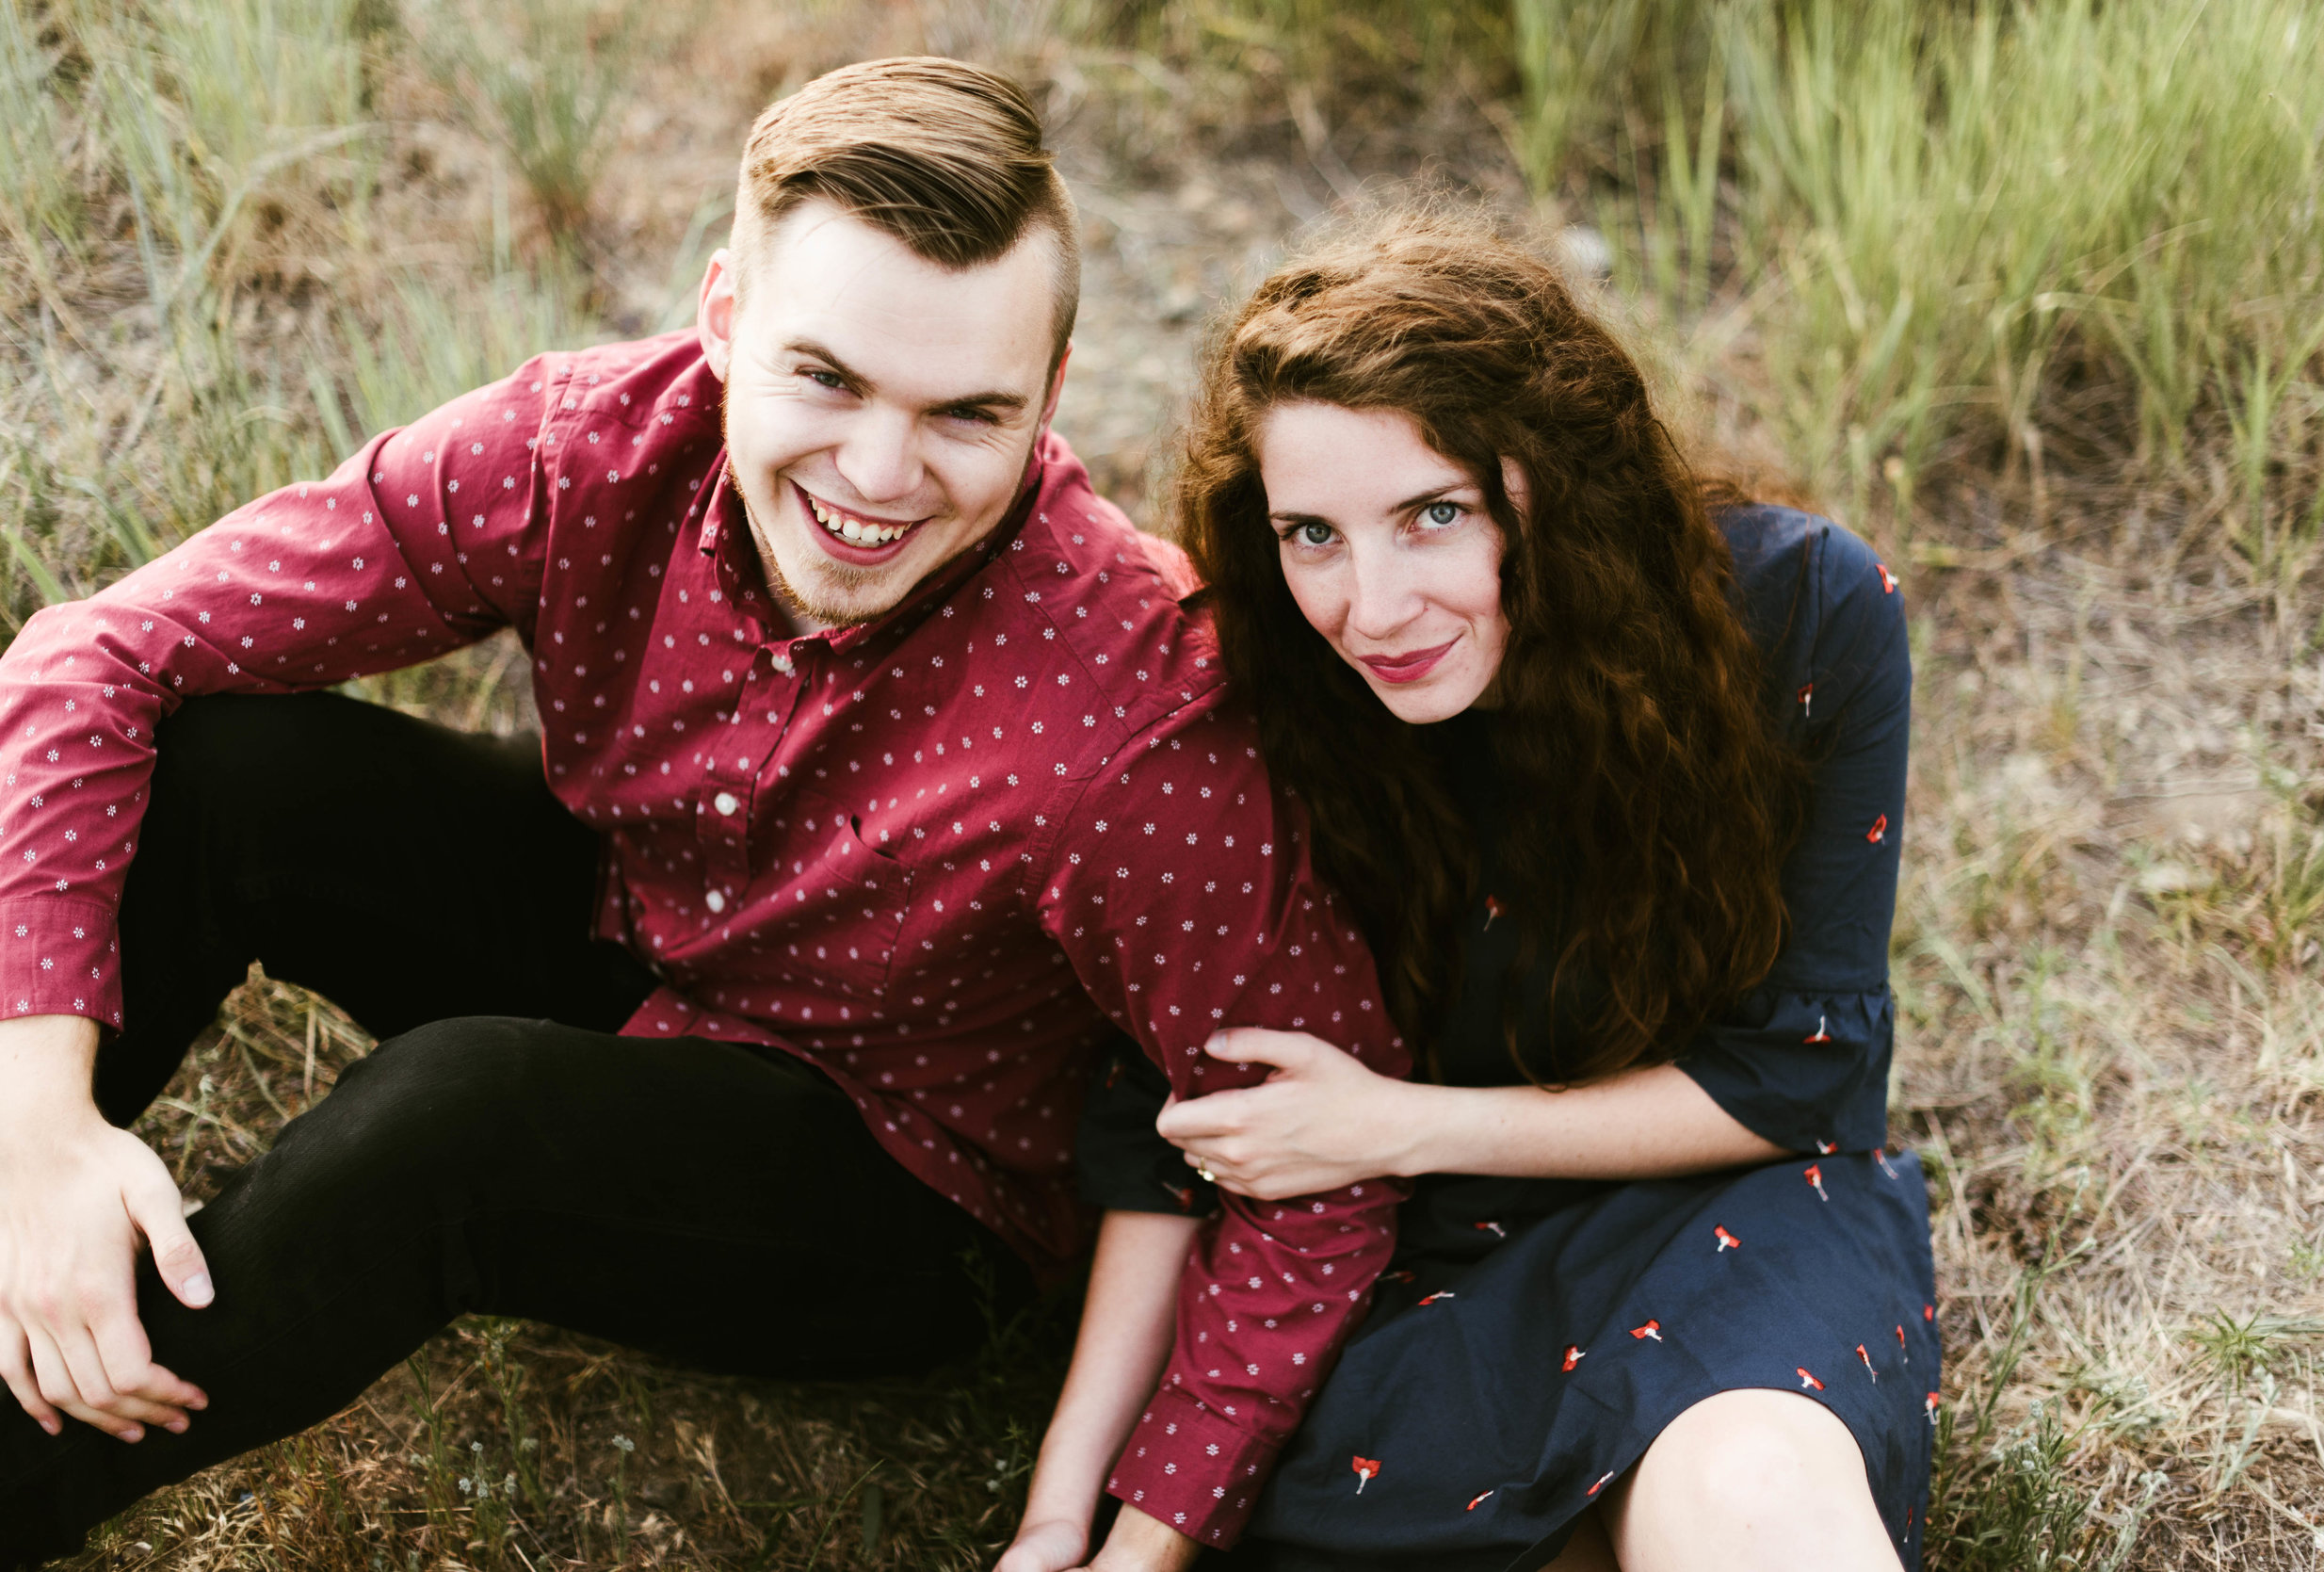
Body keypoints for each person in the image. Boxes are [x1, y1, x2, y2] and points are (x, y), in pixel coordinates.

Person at [0, 58, 1409, 1570]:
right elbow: (103, 651)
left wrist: (1144, 1531)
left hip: (892, 1172)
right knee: (236, 769)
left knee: (455, 1120)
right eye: (827, 377)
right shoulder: (587, 447)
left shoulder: (1142, 723)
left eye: (965, 414)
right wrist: (38, 1125)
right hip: (641, 943)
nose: (878, 473)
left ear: (1049, 400)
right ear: (724, 316)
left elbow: (1323, 1156)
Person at [1004, 206, 1935, 1571]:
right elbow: (1165, 1108)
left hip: (1734, 1208)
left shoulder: (1800, 617)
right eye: (1312, 534)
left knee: (1746, 1493)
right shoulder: (1267, 702)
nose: (1370, 606)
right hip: (1410, 1280)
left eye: (1433, 515)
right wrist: (1057, 1514)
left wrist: (1395, 1122)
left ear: (1546, 480)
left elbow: (1804, 1074)